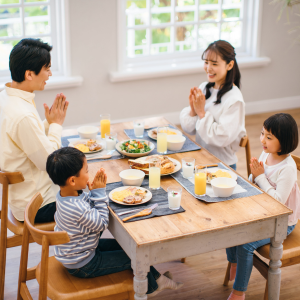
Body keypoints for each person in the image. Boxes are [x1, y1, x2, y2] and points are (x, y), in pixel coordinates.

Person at [46, 147, 183, 298]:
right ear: (72, 180)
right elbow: (102, 224)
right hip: (84, 264)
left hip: (79, 251)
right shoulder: (75, 208)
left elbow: (87, 211)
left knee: (127, 246)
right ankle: (153, 287)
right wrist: (98, 193)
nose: (88, 174)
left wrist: (93, 193)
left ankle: (157, 280)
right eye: (86, 171)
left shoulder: (65, 196)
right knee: (135, 258)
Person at [226, 113, 300, 300]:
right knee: (229, 224)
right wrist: (253, 176)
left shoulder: (288, 168)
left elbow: (278, 201)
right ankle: (235, 263)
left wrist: (259, 177)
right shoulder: (266, 153)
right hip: (262, 211)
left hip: (282, 221)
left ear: (284, 141)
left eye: (269, 137)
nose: (262, 140)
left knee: (246, 243)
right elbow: (254, 182)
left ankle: (239, 292)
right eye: (262, 134)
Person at [0, 38, 69, 222]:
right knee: (93, 197)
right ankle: (87, 251)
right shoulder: (22, 115)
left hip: (19, 198)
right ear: (30, 74)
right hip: (36, 205)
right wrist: (56, 124)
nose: (50, 74)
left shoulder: (5, 96)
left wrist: (47, 123)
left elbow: (25, 139)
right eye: (46, 69)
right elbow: (50, 163)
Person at [180, 40, 246, 170]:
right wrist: (193, 110)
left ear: (230, 65)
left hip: (222, 165)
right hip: (200, 159)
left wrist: (201, 114)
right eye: (206, 62)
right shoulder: (205, 88)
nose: (208, 68)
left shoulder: (234, 99)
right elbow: (189, 129)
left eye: (214, 64)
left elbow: (221, 138)